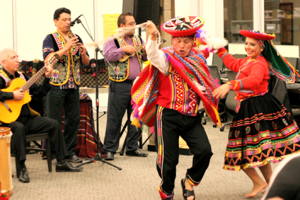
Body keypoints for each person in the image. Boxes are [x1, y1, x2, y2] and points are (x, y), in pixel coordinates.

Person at [134, 16, 221, 200]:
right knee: (169, 160)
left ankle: (189, 181)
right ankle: (167, 191)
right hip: (167, 114)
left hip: (191, 116)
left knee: (205, 152)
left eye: (186, 42)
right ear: (172, 41)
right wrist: (152, 37)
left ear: (193, 42)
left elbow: (204, 80)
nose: (181, 46)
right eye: (178, 41)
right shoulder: (166, 58)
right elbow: (152, 55)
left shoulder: (198, 59)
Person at [212, 30, 300, 198]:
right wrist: (220, 50)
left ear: (261, 48)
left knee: (242, 152)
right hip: (249, 108)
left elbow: (254, 80)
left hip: (258, 108)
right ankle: (269, 184)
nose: (248, 47)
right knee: (259, 152)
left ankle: (260, 183)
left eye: (252, 44)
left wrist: (231, 84)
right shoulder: (247, 60)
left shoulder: (260, 63)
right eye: (246, 43)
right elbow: (233, 64)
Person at [0, 49, 82, 183]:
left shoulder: (22, 76)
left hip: (27, 118)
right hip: (6, 121)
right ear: (3, 62)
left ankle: (61, 162)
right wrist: (11, 95)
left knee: (54, 124)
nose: (17, 60)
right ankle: (21, 168)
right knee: (19, 128)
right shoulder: (1, 77)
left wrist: (47, 78)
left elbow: (39, 93)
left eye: (17, 56)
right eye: (13, 57)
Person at [42, 7, 90, 163]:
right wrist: (66, 47)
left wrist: (83, 53)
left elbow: (86, 62)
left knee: (73, 119)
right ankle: (54, 153)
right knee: (53, 121)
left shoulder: (76, 37)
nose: (68, 22)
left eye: (69, 19)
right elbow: (49, 59)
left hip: (73, 85)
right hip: (56, 85)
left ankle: (68, 152)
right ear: (56, 21)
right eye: (64, 19)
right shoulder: (50, 38)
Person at [102, 12, 148, 161]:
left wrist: (147, 51)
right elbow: (108, 56)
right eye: (130, 23)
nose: (134, 26)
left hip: (137, 84)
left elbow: (145, 57)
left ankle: (132, 147)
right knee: (115, 118)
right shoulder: (113, 40)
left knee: (137, 117)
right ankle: (109, 149)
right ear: (121, 26)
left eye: (134, 23)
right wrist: (123, 50)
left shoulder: (137, 39)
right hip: (120, 84)